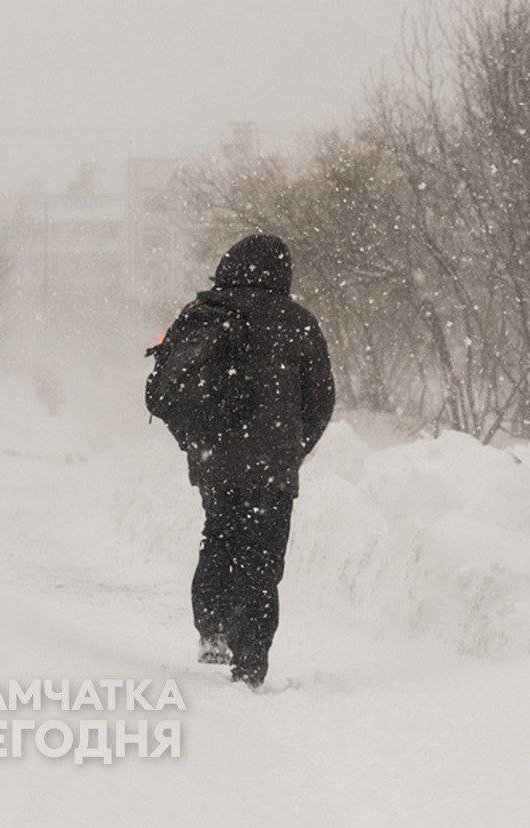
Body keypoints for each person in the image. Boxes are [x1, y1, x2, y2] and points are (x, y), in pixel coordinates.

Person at [184, 234, 334, 688]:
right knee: (262, 561)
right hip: (272, 467)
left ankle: (212, 628)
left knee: (220, 537)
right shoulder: (299, 323)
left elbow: (178, 387)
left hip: (216, 459)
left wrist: (200, 442)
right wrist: (293, 447)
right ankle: (250, 662)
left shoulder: (206, 313)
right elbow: (321, 401)